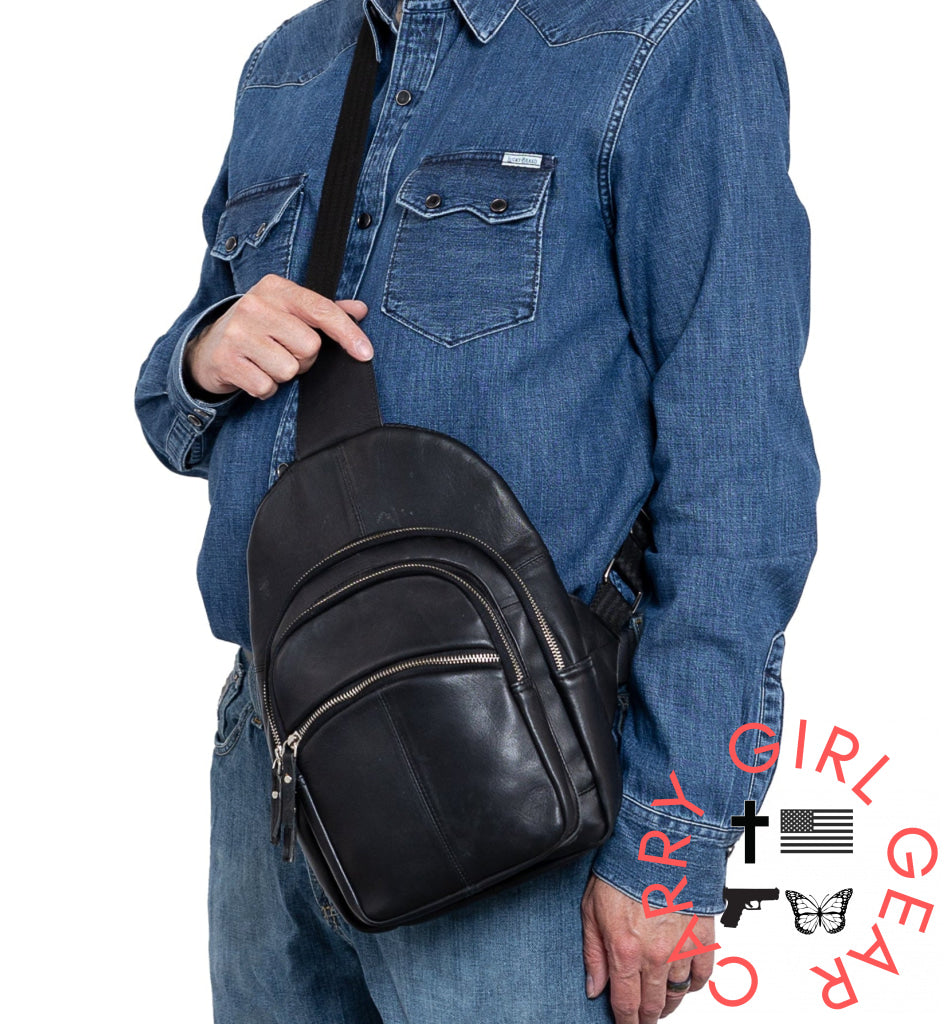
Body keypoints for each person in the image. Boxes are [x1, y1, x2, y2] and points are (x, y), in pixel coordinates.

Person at [134, 0, 819, 1020]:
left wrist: (672, 844)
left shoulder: (669, 32)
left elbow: (741, 471)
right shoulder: (287, 66)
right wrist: (201, 355)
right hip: (268, 758)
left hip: (517, 764)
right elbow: (172, 413)